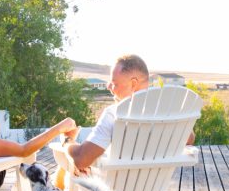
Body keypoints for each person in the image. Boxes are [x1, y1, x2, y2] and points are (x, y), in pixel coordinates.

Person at [63, 54, 195, 174]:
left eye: (114, 83)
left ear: (133, 84)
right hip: (153, 190)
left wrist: (68, 141)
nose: (108, 86)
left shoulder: (114, 114)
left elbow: (81, 160)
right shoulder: (164, 112)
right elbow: (190, 139)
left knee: (69, 169)